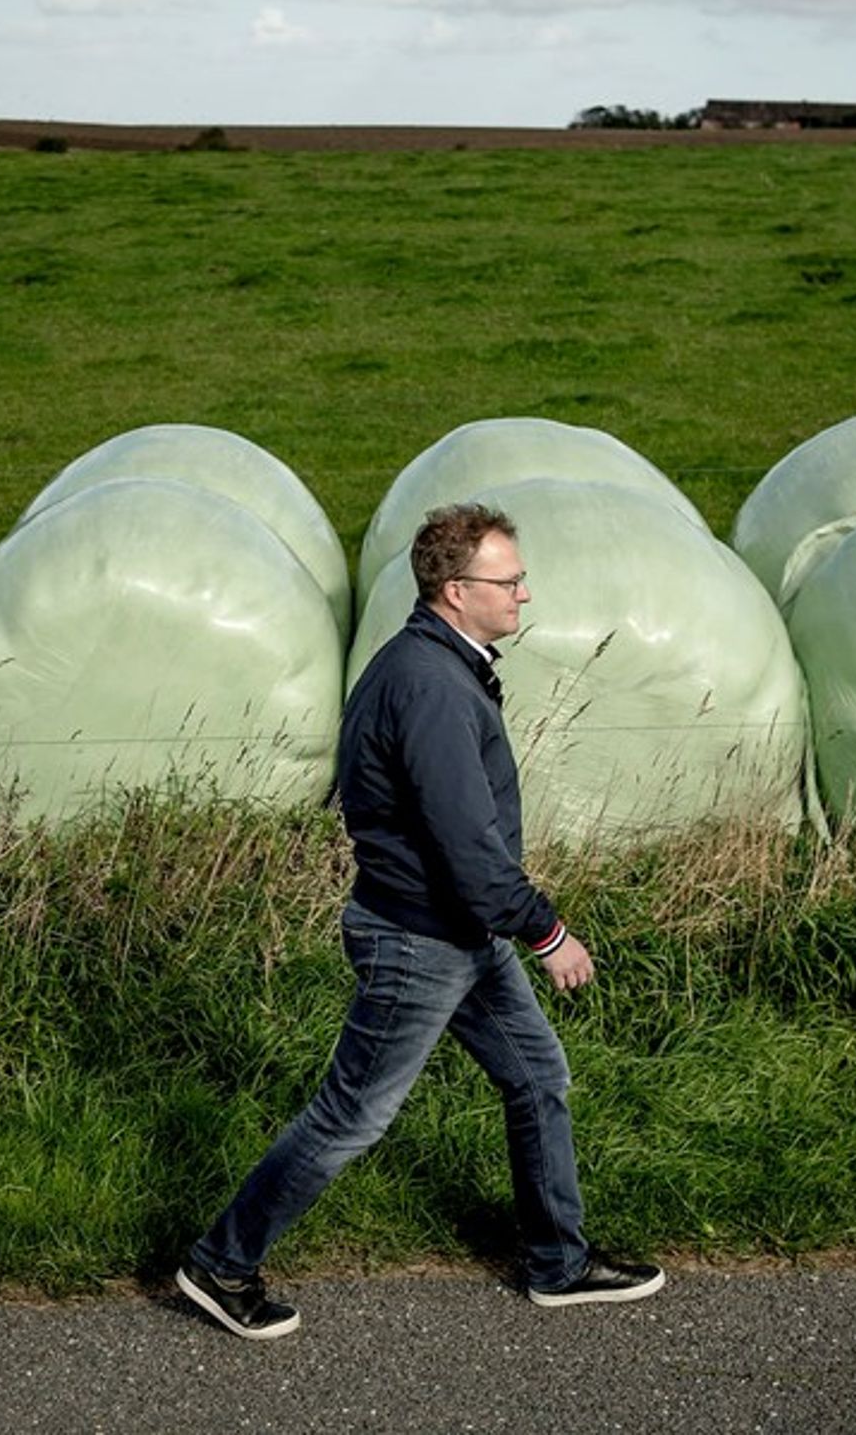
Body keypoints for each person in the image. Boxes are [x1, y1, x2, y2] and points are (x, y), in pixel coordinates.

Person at [178, 502, 664, 1340]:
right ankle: (220, 1263)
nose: (523, 593)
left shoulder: (432, 661)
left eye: (519, 577)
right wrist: (545, 931)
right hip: (422, 938)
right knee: (350, 1115)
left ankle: (558, 1261)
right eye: (506, 580)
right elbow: (467, 846)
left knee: (537, 1073)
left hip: (457, 932)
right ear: (452, 589)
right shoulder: (431, 685)